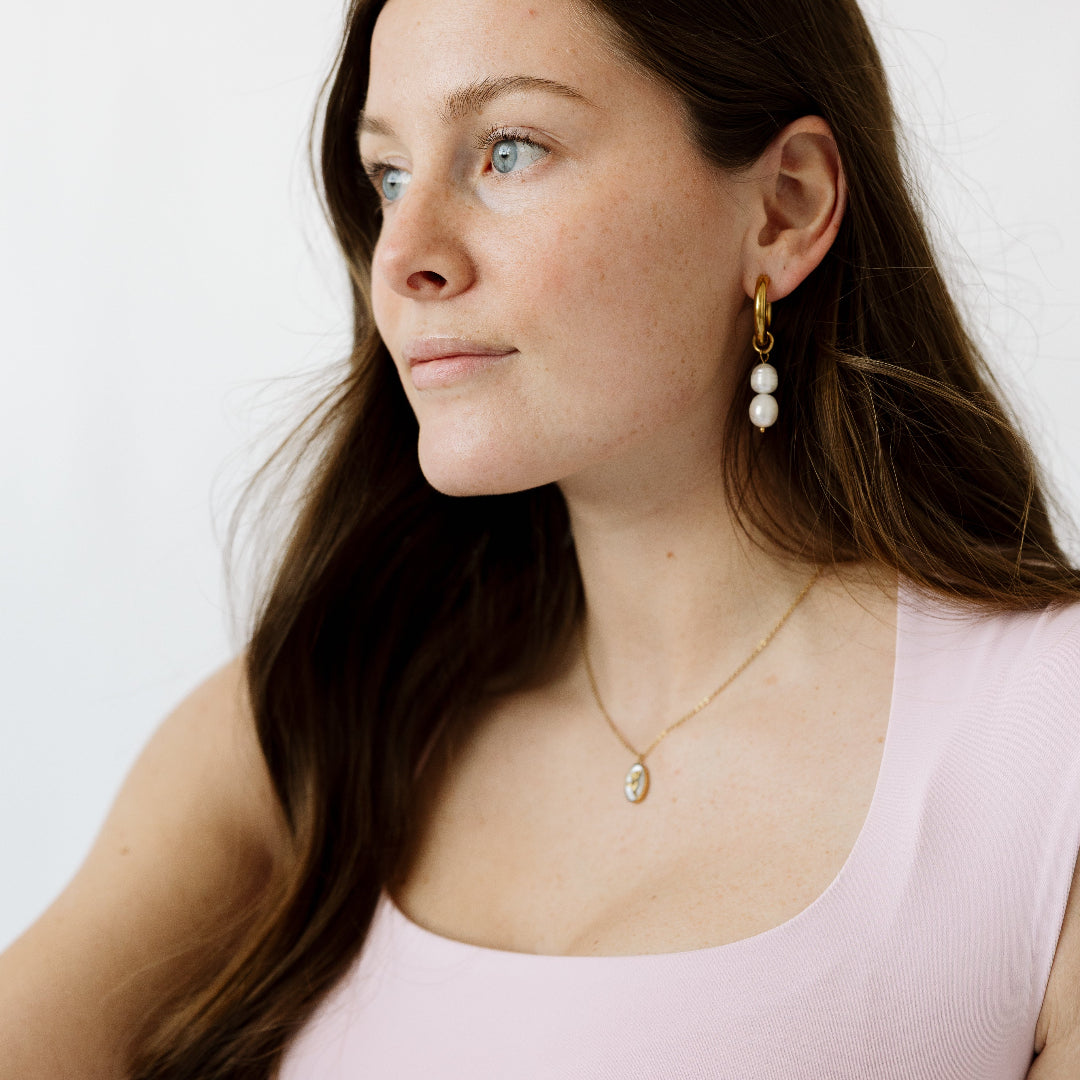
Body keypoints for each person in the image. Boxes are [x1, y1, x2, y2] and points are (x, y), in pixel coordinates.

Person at [3, 0, 1080, 1076]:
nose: (406, 256)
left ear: (784, 207)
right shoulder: (311, 722)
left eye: (508, 151)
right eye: (387, 177)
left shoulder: (1047, 744)